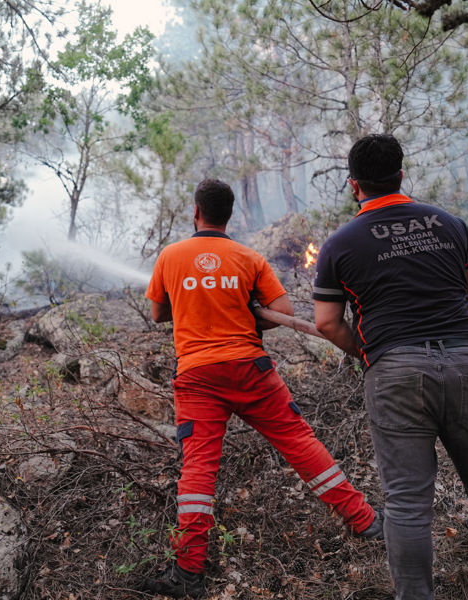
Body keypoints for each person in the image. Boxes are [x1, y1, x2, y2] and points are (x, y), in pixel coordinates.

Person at [312, 134, 468, 600]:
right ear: (401, 175)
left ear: (353, 185)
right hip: (465, 363)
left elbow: (325, 322)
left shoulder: (340, 243)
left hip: (396, 373)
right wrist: (453, 336)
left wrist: (370, 353)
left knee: (406, 502)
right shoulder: (448, 223)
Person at [140, 178, 383, 599]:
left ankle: (188, 573)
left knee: (198, 469)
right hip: (251, 368)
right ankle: (364, 521)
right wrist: (244, 313)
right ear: (228, 215)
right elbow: (282, 313)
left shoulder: (171, 256)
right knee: (299, 442)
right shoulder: (248, 257)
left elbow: (160, 312)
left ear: (196, 212)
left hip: (197, 376)